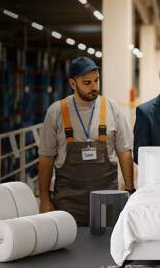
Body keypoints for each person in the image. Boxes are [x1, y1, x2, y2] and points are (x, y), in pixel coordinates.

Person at [38, 56, 134, 226]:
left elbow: (124, 152)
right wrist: (44, 200)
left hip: (108, 201)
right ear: (73, 84)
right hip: (67, 204)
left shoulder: (112, 108)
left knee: (107, 248)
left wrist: (129, 190)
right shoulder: (56, 112)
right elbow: (46, 159)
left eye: (97, 80)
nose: (94, 87)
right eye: (87, 82)